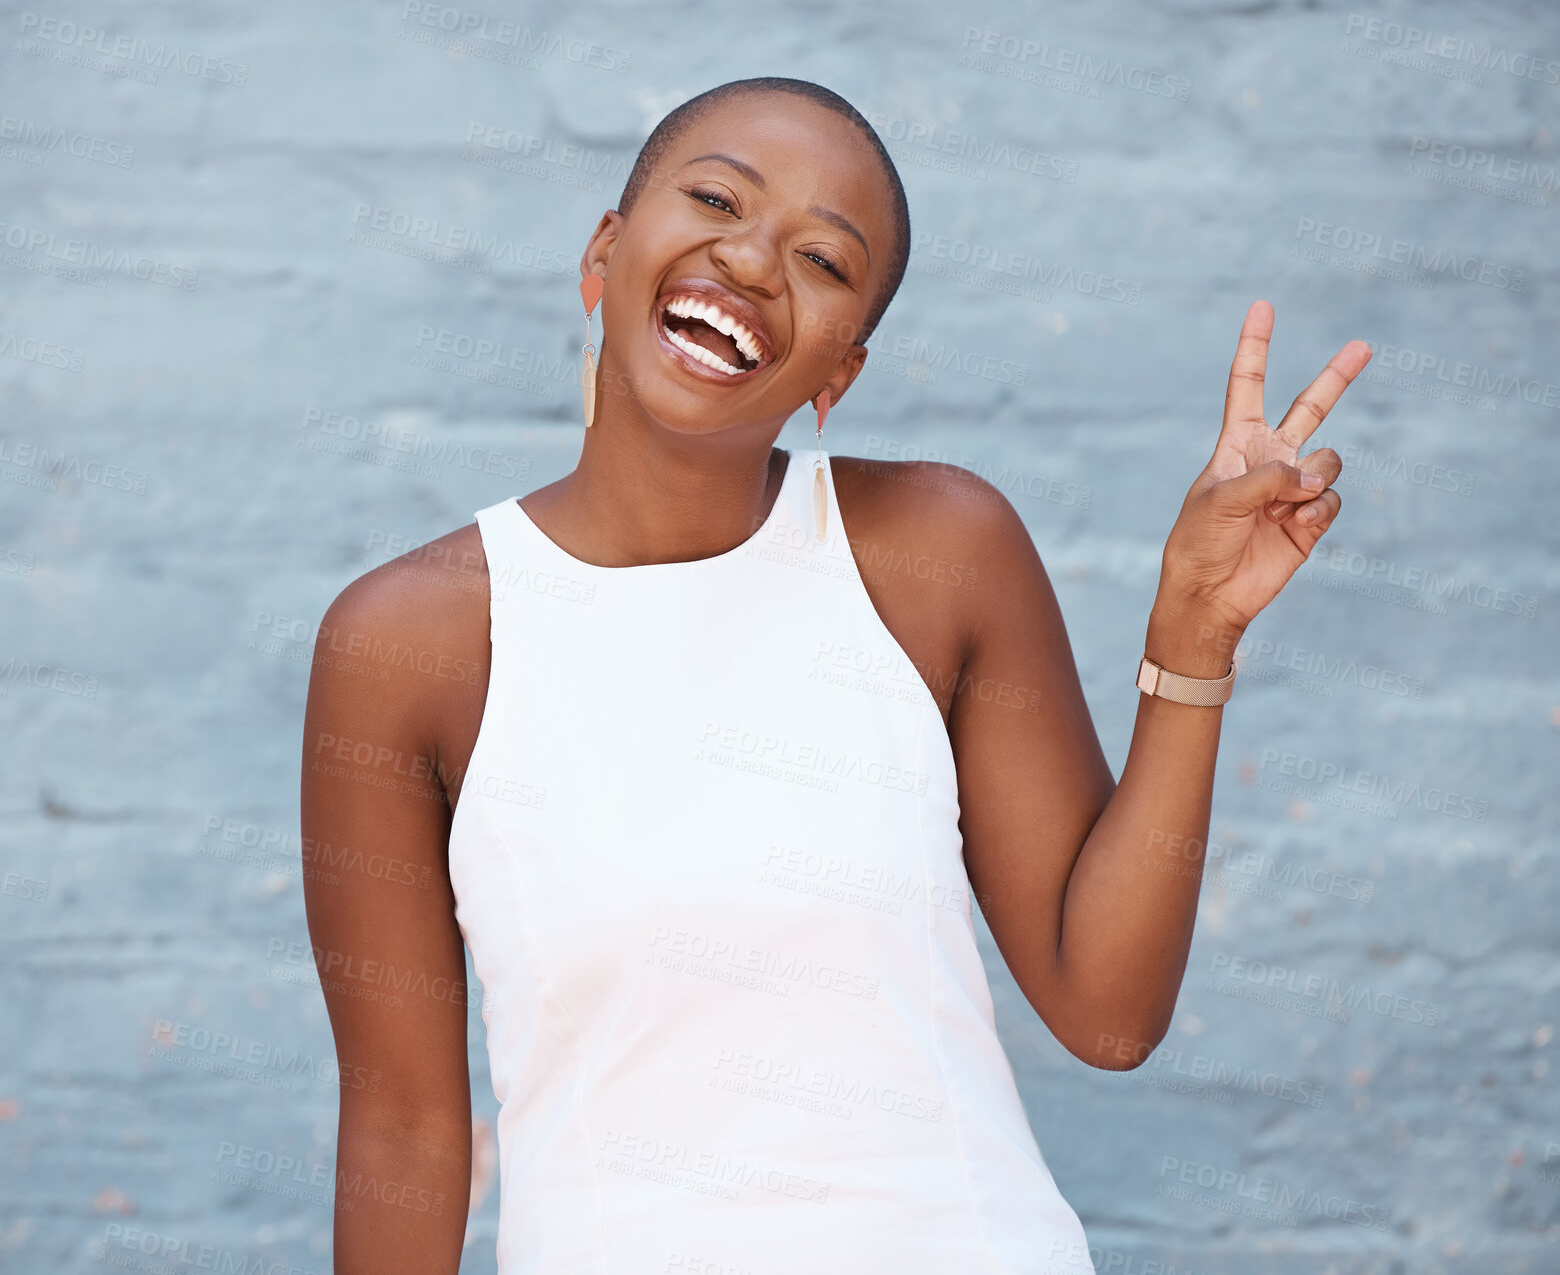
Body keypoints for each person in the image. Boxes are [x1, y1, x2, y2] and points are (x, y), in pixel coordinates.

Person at [300, 76, 1369, 1275]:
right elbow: (402, 1132)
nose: (753, 260)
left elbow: (1108, 1012)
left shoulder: (935, 550)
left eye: (822, 258)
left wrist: (1195, 634)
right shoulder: (408, 643)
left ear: (838, 373)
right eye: (715, 197)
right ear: (605, 251)